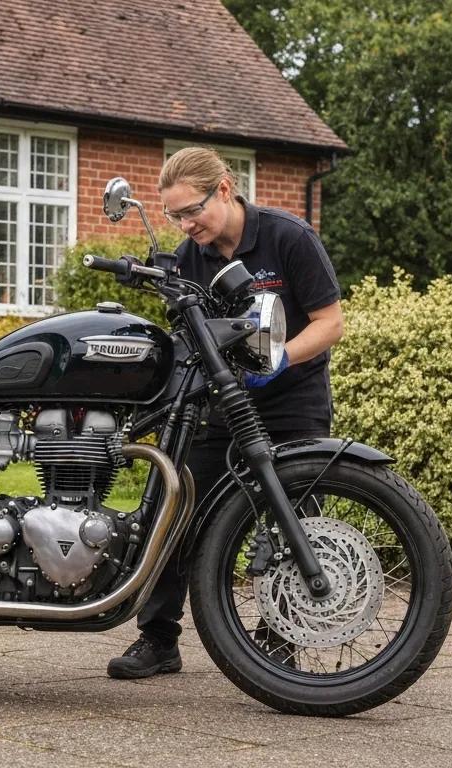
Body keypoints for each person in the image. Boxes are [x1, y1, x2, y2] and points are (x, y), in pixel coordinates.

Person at [107, 147, 345, 679]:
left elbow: (330, 323)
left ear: (224, 189)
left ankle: (281, 639)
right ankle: (158, 638)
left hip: (291, 403)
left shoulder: (289, 238)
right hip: (219, 408)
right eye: (174, 216)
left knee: (294, 523)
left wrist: (279, 359)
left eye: (192, 211)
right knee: (177, 508)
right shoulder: (189, 257)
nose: (185, 225)